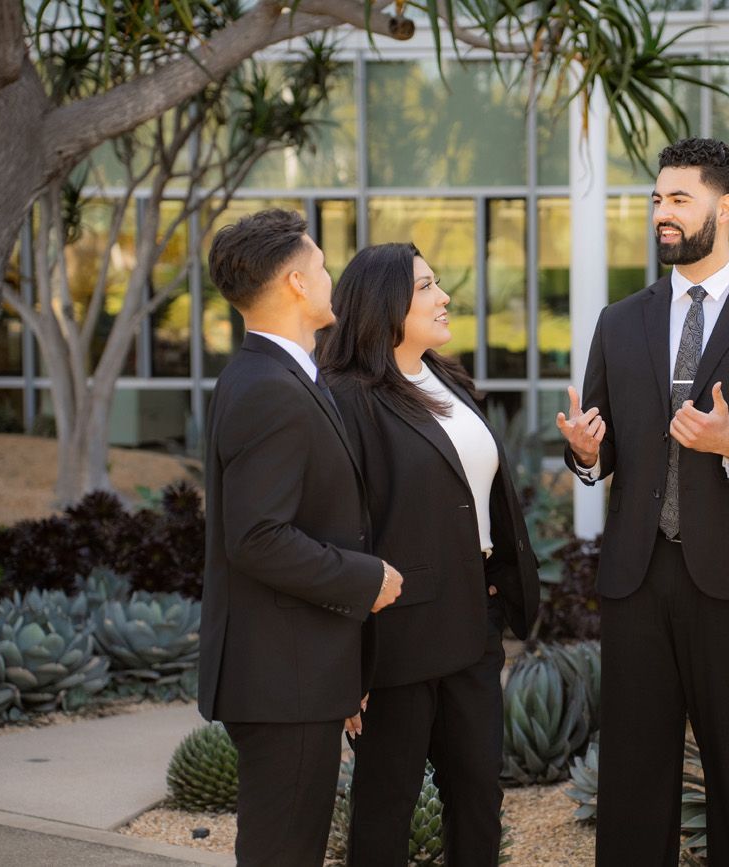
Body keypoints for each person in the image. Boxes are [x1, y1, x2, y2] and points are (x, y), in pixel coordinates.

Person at [557, 138, 729, 866]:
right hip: (636, 575)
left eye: (678, 199)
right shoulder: (620, 321)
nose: (662, 213)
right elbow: (604, 440)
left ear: (726, 207)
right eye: (657, 199)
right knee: (632, 770)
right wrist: (587, 455)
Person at [319, 242, 541, 867]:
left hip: (472, 625)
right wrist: (347, 663)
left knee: (478, 800)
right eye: (426, 287)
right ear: (383, 303)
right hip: (394, 638)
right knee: (384, 807)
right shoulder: (345, 396)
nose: (444, 297)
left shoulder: (444, 377)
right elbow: (340, 533)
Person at [197, 209, 403, 867]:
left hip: (298, 672)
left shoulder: (273, 375)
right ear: (292, 281)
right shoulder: (269, 387)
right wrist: (366, 579)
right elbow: (257, 536)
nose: (330, 281)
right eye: (320, 267)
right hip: (281, 680)